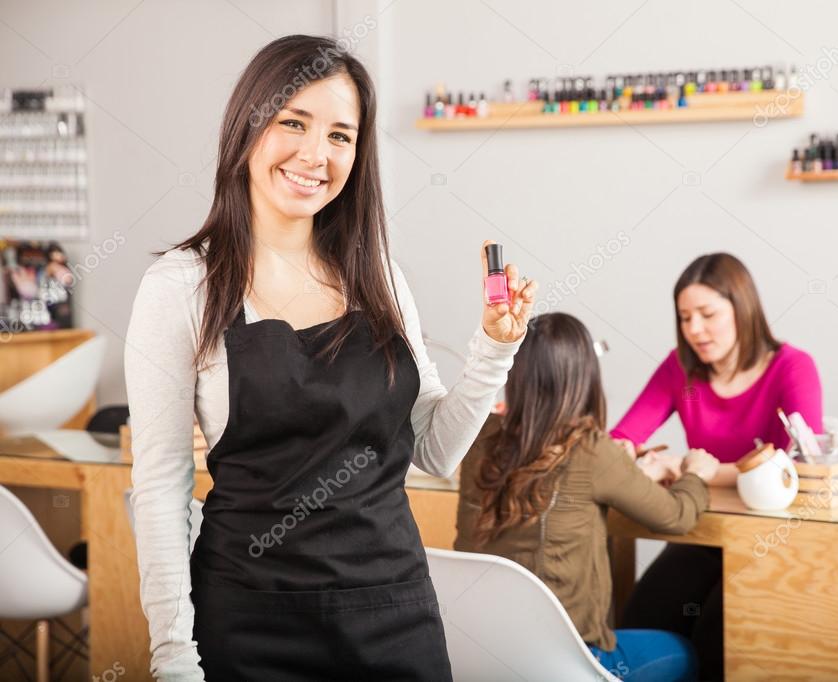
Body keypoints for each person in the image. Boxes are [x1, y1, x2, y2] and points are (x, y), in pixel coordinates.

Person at [124, 35, 537, 681]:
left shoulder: (379, 276)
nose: (315, 154)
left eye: (340, 135)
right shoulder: (182, 286)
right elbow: (159, 489)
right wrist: (174, 655)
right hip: (248, 618)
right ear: (248, 125)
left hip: (394, 613)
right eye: (294, 122)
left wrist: (495, 347)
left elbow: (434, 450)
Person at [455, 312, 720, 682]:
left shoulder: (479, 438)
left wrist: (631, 474)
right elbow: (676, 516)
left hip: (482, 653)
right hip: (572, 661)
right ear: (584, 377)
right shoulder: (590, 449)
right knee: (687, 653)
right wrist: (695, 474)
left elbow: (550, 484)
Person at [611, 252, 823, 680]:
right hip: (702, 531)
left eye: (707, 314)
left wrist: (690, 471)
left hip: (771, 538)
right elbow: (619, 441)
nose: (695, 330)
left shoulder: (791, 367)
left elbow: (799, 466)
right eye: (685, 317)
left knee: (717, 638)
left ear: (742, 309)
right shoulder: (680, 369)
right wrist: (647, 461)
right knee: (639, 622)